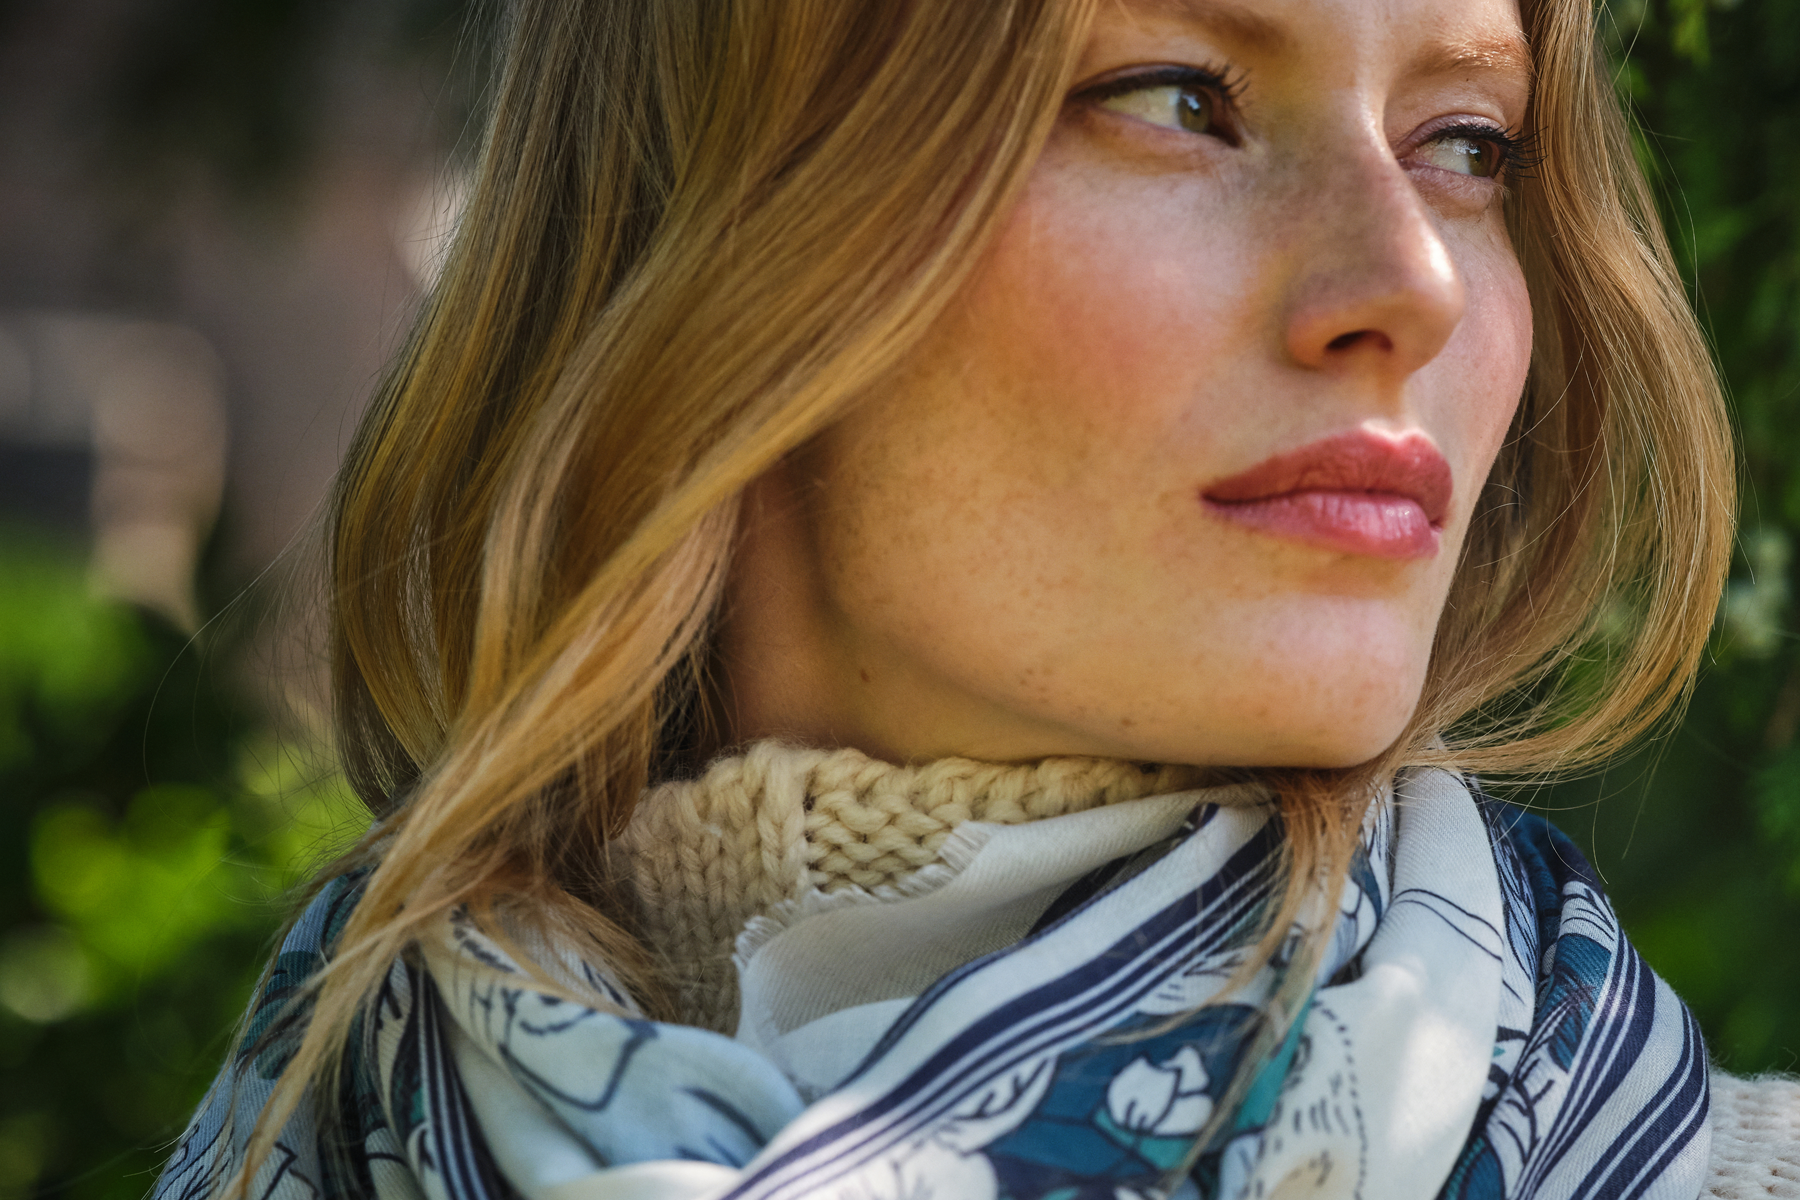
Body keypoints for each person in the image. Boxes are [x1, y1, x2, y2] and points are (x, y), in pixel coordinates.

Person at [154, 0, 1799, 1196]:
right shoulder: (322, 1114)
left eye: (1466, 142)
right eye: (1178, 96)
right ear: (721, 216)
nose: (1415, 280)